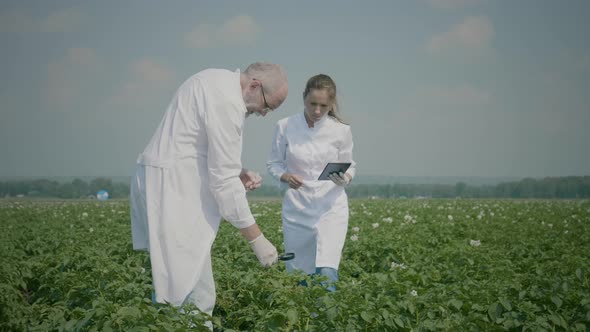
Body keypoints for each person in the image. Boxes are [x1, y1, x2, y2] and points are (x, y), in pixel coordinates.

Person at [130, 62, 289, 322]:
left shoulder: (213, 79)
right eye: (267, 106)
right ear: (254, 85)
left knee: (176, 283)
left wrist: (238, 170)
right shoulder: (228, 103)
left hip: (163, 183)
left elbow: (195, 145)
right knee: (191, 293)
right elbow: (224, 184)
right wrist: (258, 241)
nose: (263, 114)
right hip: (173, 191)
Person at [267, 74, 355, 292]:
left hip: (331, 207)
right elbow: (274, 163)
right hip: (297, 208)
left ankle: (325, 322)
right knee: (299, 273)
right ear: (304, 98)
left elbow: (350, 164)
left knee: (327, 270)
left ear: (331, 104)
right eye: (312, 104)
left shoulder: (341, 130)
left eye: (323, 106)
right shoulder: (285, 126)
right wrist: (285, 176)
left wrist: (346, 177)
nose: (317, 111)